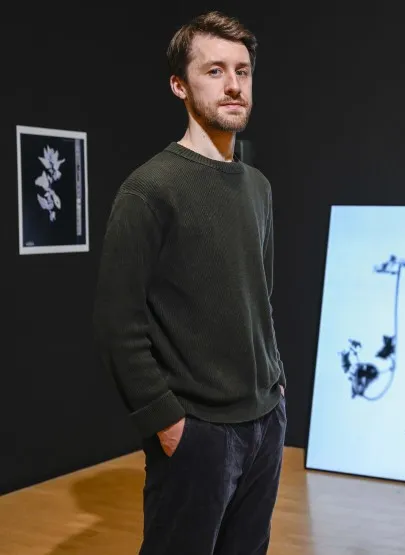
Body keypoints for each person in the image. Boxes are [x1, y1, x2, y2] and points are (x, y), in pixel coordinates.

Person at [92, 11, 287, 554]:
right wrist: (167, 421)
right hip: (198, 431)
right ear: (180, 85)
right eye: (215, 71)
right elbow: (117, 323)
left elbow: (259, 297)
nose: (233, 85)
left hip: (264, 421)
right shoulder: (149, 189)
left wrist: (274, 383)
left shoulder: (257, 186)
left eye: (243, 72)